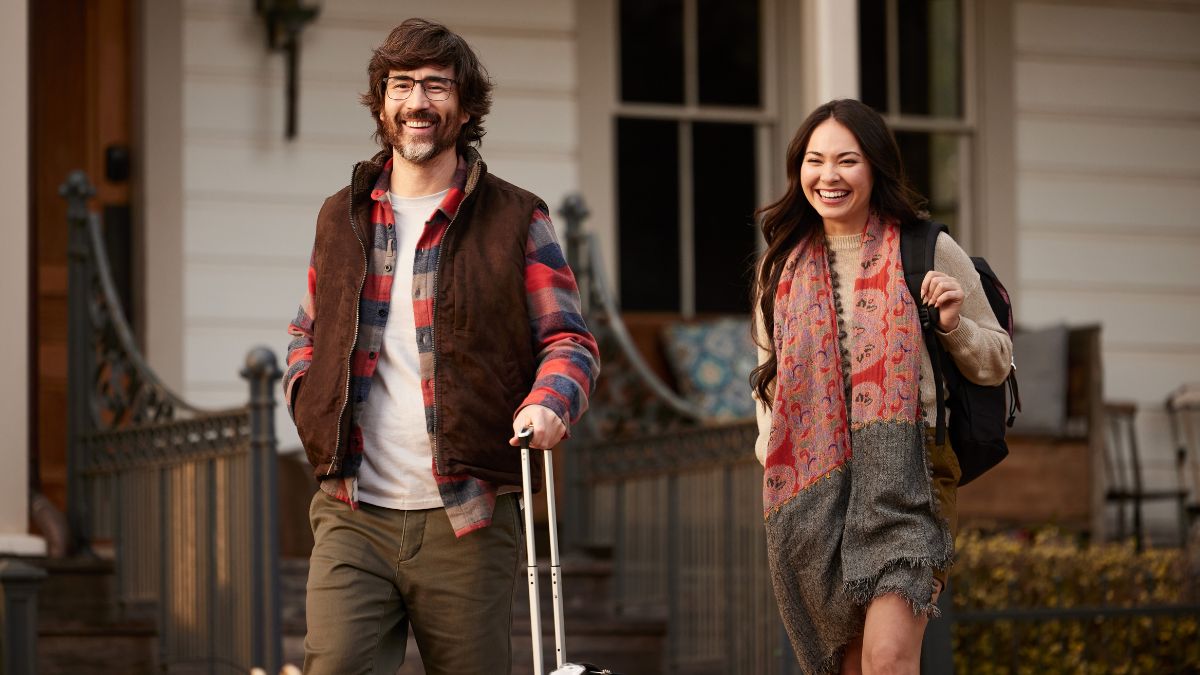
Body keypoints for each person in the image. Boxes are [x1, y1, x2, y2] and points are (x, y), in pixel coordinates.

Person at [282, 18, 600, 675]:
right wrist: (305, 398)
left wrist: (548, 404)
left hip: (468, 517)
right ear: (381, 101)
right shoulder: (339, 216)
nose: (418, 102)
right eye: (402, 85)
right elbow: (305, 331)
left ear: (465, 106)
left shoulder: (518, 219)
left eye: (437, 86)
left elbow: (569, 339)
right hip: (353, 510)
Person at [750, 99, 1012, 675]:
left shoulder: (927, 249)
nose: (829, 176)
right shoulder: (780, 271)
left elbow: (996, 360)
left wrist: (953, 325)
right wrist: (772, 450)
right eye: (815, 161)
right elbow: (766, 383)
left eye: (848, 160)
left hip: (908, 478)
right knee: (848, 665)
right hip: (814, 495)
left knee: (888, 658)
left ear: (876, 169)